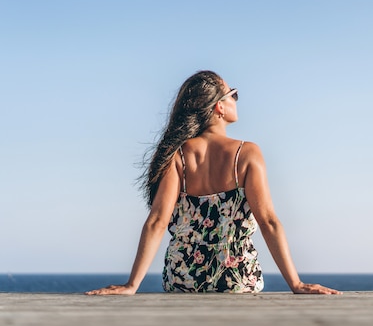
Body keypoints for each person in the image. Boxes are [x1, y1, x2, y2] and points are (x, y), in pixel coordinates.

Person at [86, 71, 340, 295]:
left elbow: (157, 221)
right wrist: (295, 283)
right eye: (233, 95)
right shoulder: (247, 153)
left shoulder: (178, 156)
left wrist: (132, 285)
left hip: (183, 279)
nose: (236, 100)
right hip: (237, 279)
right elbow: (268, 222)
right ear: (219, 106)